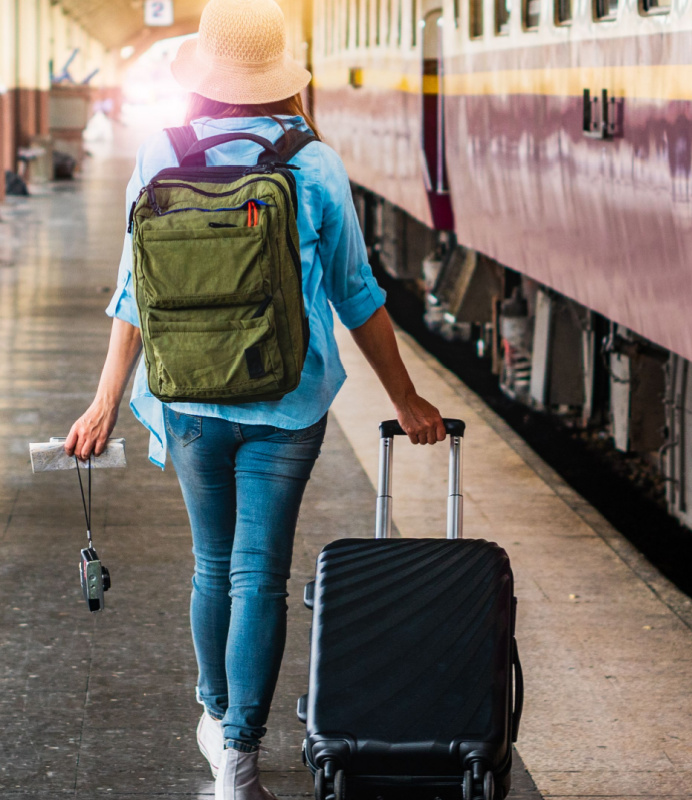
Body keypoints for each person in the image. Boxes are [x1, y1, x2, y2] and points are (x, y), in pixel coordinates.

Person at [64, 0, 446, 797]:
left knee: (213, 565)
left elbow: (134, 297)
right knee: (258, 574)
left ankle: (215, 718)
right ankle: (239, 755)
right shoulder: (313, 162)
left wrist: (104, 405)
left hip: (189, 398)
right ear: (281, 74)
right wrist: (407, 399)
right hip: (288, 400)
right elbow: (358, 295)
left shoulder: (160, 153)